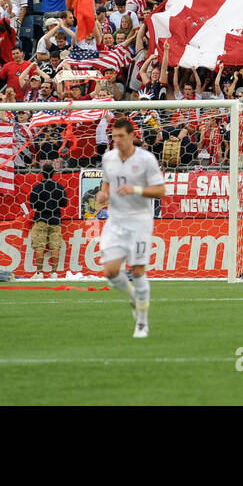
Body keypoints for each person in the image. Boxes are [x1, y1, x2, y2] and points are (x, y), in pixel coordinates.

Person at [96, 117, 166, 338]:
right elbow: (106, 183)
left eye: (121, 136)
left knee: (137, 270)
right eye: (114, 136)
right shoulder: (108, 158)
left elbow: (160, 191)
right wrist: (103, 193)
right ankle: (134, 297)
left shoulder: (146, 159)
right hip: (116, 220)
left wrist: (135, 190)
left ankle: (142, 323)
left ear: (132, 136)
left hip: (139, 220)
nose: (117, 140)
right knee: (110, 271)